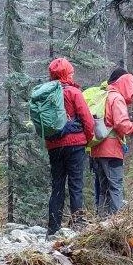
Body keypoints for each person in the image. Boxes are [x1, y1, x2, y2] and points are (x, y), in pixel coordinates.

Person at [90, 67, 133, 216]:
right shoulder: (116, 98)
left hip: (97, 149)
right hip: (111, 151)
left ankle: (101, 221)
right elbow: (122, 125)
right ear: (125, 83)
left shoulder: (104, 96)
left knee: (103, 188)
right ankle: (115, 223)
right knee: (115, 187)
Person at [43, 57, 95, 234]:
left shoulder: (46, 94)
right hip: (75, 144)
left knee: (57, 184)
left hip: (54, 146)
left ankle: (53, 227)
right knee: (75, 184)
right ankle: (77, 223)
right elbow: (87, 120)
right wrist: (88, 140)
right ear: (67, 73)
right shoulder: (73, 92)